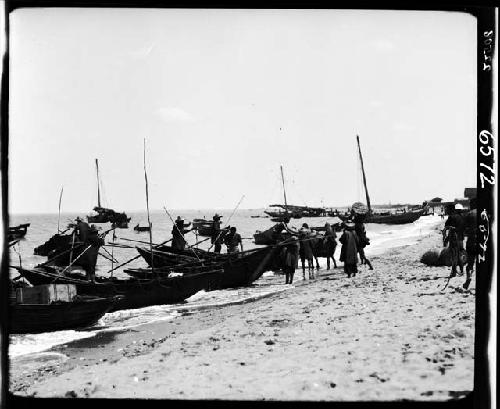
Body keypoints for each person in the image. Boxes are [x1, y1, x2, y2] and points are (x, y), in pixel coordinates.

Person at [443, 203, 466, 277]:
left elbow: (448, 228)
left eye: (447, 209)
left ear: (451, 209)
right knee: (460, 254)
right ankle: (462, 270)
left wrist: (446, 239)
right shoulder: (461, 217)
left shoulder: (451, 217)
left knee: (454, 255)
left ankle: (453, 272)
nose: (446, 210)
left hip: (454, 239)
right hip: (461, 238)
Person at [463, 198, 477, 289]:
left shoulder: (469, 214)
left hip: (471, 242)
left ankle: (469, 277)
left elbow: (464, 230)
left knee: (470, 264)